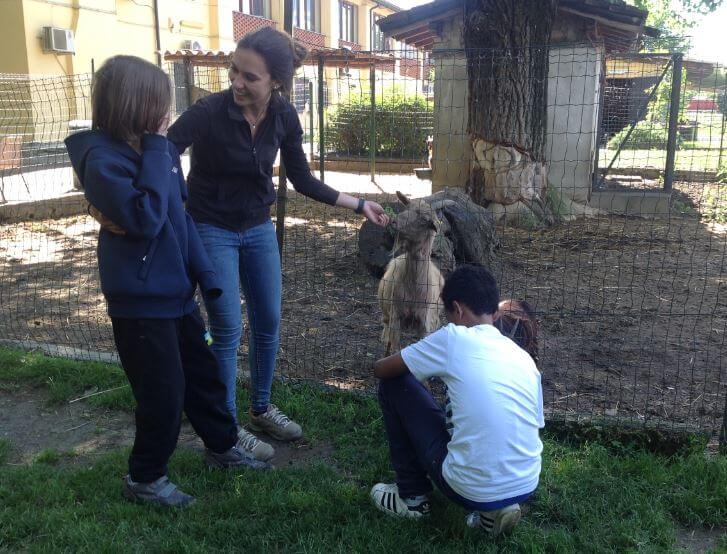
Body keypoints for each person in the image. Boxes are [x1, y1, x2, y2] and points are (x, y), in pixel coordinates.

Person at [167, 27, 389, 461]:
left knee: (269, 321)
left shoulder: (284, 117)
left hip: (257, 229)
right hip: (211, 228)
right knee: (228, 329)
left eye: (249, 77)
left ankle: (261, 408)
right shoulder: (209, 111)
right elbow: (165, 150)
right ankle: (225, 434)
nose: (236, 82)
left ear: (276, 82)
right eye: (234, 71)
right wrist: (177, 201)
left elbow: (302, 178)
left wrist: (359, 203)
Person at [65, 55, 270, 509]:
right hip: (140, 304)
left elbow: (180, 217)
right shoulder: (103, 161)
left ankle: (221, 448)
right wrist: (160, 149)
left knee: (202, 377)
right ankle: (145, 477)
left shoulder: (152, 153)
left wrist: (207, 277)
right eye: (161, 102)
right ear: (136, 106)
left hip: (177, 297)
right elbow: (148, 218)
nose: (168, 111)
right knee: (163, 394)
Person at [370, 265, 544, 537]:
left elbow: (383, 369)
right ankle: (491, 511)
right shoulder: (522, 357)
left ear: (457, 309)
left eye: (448, 316)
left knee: (395, 384)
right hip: (526, 483)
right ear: (495, 313)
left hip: (467, 486)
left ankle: (412, 498)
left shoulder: (453, 337)